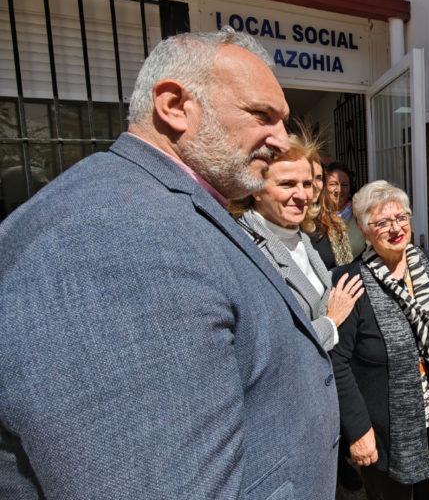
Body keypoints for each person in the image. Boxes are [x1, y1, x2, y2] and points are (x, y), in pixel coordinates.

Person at [0, 28, 341, 498]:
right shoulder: (113, 235)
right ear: (175, 105)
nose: (283, 141)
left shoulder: (164, 209)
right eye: (263, 115)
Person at [330, 180, 429, 500]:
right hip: (387, 433)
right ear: (363, 228)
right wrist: (358, 430)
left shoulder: (428, 263)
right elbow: (337, 362)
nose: (395, 228)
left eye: (401, 217)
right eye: (382, 222)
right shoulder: (350, 281)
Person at [228, 134, 363, 351]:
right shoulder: (242, 248)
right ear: (255, 189)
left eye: (307, 184)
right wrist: (331, 321)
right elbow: (270, 345)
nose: (303, 195)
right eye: (287, 184)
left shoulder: (296, 233)